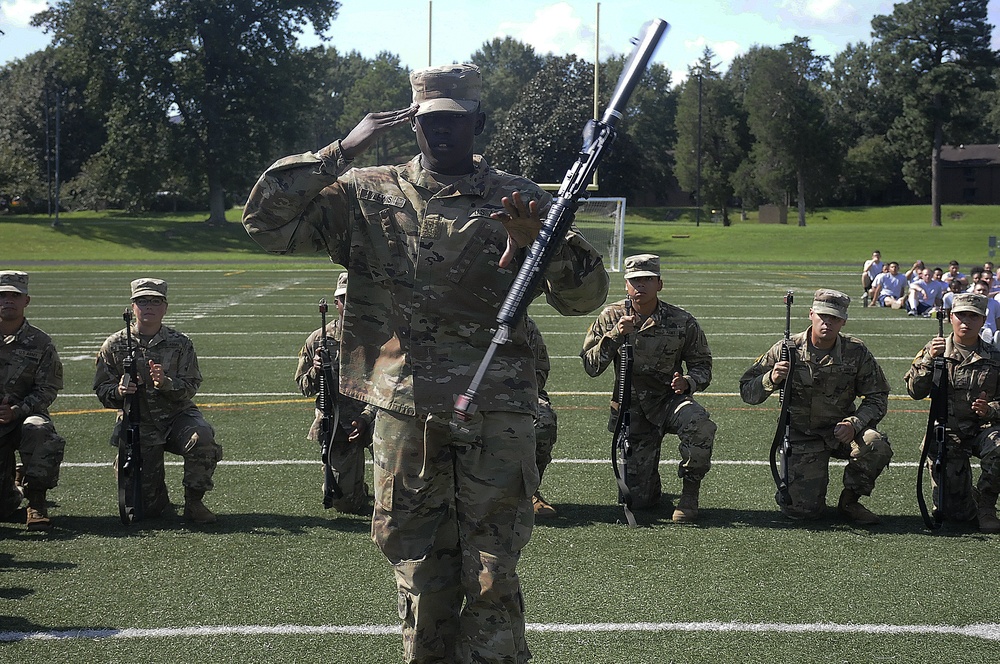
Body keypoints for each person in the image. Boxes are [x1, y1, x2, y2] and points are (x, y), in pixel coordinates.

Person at [242, 63, 609, 663]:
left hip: (495, 411)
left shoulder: (520, 197)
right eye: (428, 120)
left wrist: (545, 243)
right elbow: (265, 223)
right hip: (405, 412)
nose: (440, 133)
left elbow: (583, 300)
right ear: (412, 122)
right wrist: (339, 150)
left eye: (455, 122)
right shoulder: (367, 191)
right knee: (418, 568)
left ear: (480, 124)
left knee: (492, 573)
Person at [581, 254, 716, 523]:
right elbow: (590, 365)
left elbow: (703, 365)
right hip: (632, 409)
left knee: (700, 424)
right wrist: (615, 336)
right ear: (626, 286)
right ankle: (650, 486)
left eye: (647, 280)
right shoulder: (611, 317)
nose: (640, 286)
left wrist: (688, 382)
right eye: (634, 281)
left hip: (669, 401)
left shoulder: (681, 320)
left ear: (659, 284)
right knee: (640, 501)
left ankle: (689, 494)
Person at [739, 289, 892, 524]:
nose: (827, 322)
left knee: (876, 444)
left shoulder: (856, 351)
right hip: (802, 436)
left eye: (834, 318)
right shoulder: (786, 349)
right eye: (822, 316)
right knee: (802, 513)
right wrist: (772, 378)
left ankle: (850, 501)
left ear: (843, 321)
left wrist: (855, 423)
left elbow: (878, 396)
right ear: (811, 314)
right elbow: (747, 391)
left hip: (842, 432)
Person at [94, 278, 223, 524]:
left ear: (165, 307)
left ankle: (194, 503)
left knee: (203, 437)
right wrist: (120, 392)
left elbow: (190, 386)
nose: (149, 306)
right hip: (138, 422)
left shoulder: (180, 343)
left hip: (177, 417)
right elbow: (102, 389)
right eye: (142, 301)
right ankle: (156, 497)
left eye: (155, 301)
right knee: (149, 511)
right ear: (132, 307)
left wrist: (166, 383)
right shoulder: (114, 345)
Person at [904, 292, 1000, 533]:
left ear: (982, 320)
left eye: (973, 316)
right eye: (961, 315)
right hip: (947, 434)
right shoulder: (934, 350)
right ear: (950, 318)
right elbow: (914, 391)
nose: (966, 321)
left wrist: (990, 410)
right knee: (956, 516)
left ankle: (987, 507)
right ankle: (969, 499)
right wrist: (929, 359)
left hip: (983, 430)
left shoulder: (995, 357)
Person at [294, 272, 374, 515]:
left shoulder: (380, 337)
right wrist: (317, 371)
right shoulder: (318, 340)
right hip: (338, 423)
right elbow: (303, 387)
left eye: (356, 299)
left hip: (376, 418)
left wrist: (367, 416)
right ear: (336, 302)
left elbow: (395, 387)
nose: (349, 305)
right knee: (344, 503)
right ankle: (358, 489)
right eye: (344, 299)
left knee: (402, 495)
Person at [0, 271, 66, 531]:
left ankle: (36, 502)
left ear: (26, 300)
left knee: (39, 430)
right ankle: (13, 488)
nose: (8, 301)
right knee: (3, 510)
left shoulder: (40, 343)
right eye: (2, 295)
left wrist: (16, 411)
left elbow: (47, 390)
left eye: (15, 296)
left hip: (24, 416)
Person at [524, 315, 558, 518]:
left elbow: (540, 370)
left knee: (544, 421)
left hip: (517, 392)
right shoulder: (462, 316)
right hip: (464, 394)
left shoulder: (521, 323)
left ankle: (529, 492)